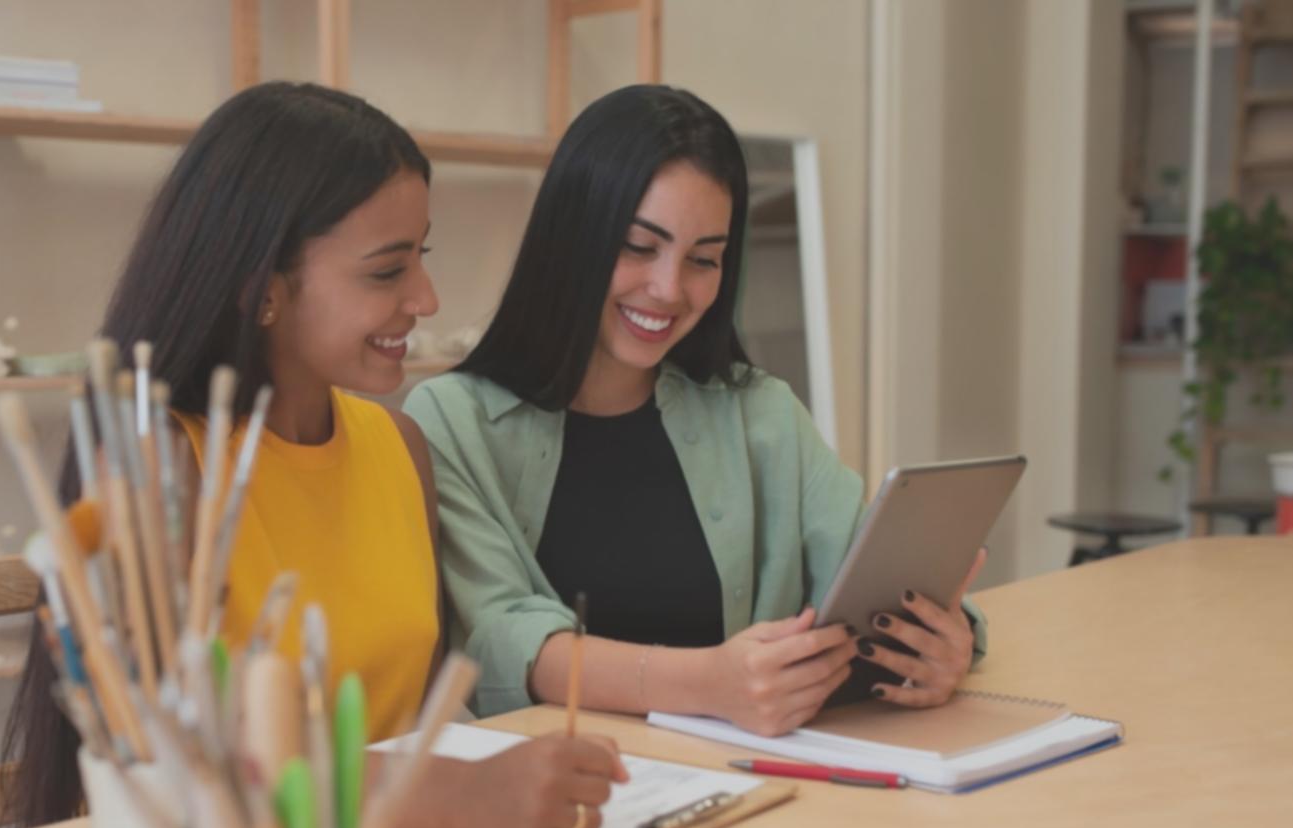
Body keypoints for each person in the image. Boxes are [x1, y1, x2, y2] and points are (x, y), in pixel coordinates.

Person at [4, 82, 626, 828]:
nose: (426, 298)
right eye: (385, 272)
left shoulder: (399, 445)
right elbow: (162, 767)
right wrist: (457, 798)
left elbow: (415, 719)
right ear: (261, 290)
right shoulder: (158, 467)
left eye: (420, 258)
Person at [404, 84, 986, 735]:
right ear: (574, 236)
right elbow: (498, 635)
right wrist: (710, 684)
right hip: (566, 799)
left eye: (703, 259)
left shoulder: (760, 411)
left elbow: (860, 568)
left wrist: (942, 641)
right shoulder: (449, 421)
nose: (668, 289)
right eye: (638, 246)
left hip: (752, 786)